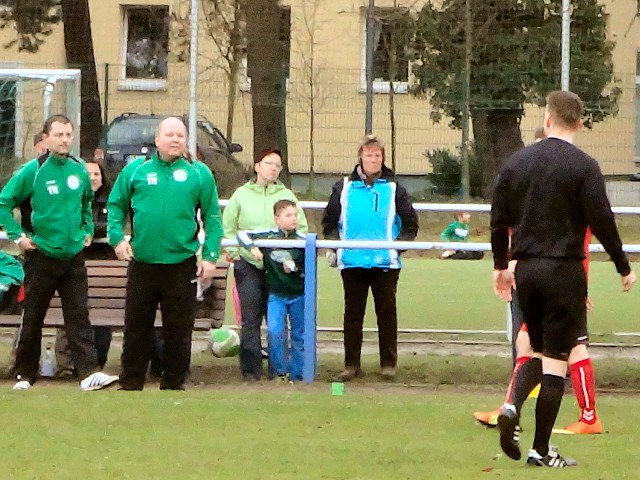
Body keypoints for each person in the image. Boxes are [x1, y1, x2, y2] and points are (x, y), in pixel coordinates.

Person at [491, 91, 635, 467]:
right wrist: (623, 264)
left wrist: (499, 266)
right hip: (565, 271)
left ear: (548, 117)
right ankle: (540, 450)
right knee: (556, 361)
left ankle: (511, 406)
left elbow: (497, 216)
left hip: (526, 270)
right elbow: (602, 220)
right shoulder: (584, 166)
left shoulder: (517, 162)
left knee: (535, 352)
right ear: (580, 123)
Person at [0, 114, 119, 391]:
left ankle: (88, 373)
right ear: (47, 138)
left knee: (79, 315)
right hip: (41, 255)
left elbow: (86, 201)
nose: (65, 140)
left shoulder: (79, 169)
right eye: (59, 135)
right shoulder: (33, 171)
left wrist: (86, 228)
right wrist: (18, 237)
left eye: (68, 135)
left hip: (73, 256)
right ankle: (25, 374)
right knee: (33, 317)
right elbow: (4, 202)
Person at [108, 116, 222, 391]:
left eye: (180, 136)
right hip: (142, 262)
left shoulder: (199, 174)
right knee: (136, 327)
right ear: (157, 140)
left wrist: (210, 256)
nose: (175, 140)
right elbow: (115, 206)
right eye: (169, 135)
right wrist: (116, 239)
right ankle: (131, 382)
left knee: (179, 329)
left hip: (180, 264)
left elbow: (213, 218)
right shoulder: (136, 170)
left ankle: (173, 383)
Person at [474, 230, 604, 435]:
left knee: (574, 348)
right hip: (545, 277)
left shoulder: (570, 202)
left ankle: (589, 417)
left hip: (564, 279)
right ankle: (509, 409)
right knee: (526, 342)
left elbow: (579, 239)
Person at [322, 134, 418, 382]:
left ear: (383, 157)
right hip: (352, 263)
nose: (373, 159)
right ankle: (351, 364)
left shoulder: (395, 188)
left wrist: (397, 248)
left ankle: (388, 364)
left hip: (385, 263)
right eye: (368, 155)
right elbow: (329, 222)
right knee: (353, 314)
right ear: (360, 157)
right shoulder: (343, 187)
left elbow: (410, 224)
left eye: (377, 155)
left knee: (386, 312)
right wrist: (337, 247)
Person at [223, 148, 308, 382]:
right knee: (250, 319)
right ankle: (251, 371)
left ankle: (278, 369)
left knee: (276, 321)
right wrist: (235, 253)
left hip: (278, 267)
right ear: (257, 166)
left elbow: (300, 228)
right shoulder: (241, 194)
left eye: (278, 165)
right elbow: (229, 227)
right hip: (248, 264)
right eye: (269, 163)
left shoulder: (287, 196)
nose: (273, 168)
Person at [54, 160, 114, 376]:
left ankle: (97, 363)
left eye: (97, 173)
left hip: (107, 268)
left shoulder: (112, 199)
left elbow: (114, 224)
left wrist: (89, 231)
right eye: (88, 174)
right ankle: (66, 366)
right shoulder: (71, 197)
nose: (93, 177)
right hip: (75, 263)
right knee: (71, 314)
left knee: (104, 319)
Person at [237, 199, 305, 381]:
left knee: (299, 334)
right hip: (276, 296)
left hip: (299, 295)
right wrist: (252, 248)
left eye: (295, 214)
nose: (293, 219)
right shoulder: (268, 237)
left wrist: (296, 269)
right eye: (288, 215)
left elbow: (308, 269)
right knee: (275, 331)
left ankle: (299, 373)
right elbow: (242, 234)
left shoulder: (303, 241)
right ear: (277, 219)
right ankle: (279, 372)